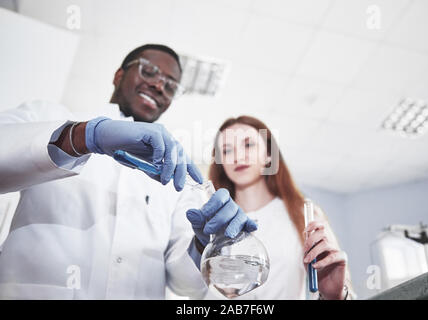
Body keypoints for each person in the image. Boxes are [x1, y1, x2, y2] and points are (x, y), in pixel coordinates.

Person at [0, 44, 256, 299]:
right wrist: (84, 137)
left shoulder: (177, 172)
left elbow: (186, 285)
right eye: (149, 72)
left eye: (170, 86)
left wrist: (203, 244)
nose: (158, 86)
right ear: (118, 75)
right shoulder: (51, 115)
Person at [204, 115, 356, 300]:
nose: (238, 156)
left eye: (248, 145)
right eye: (227, 150)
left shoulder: (305, 214)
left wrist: (334, 296)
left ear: (269, 155)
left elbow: (344, 292)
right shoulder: (212, 221)